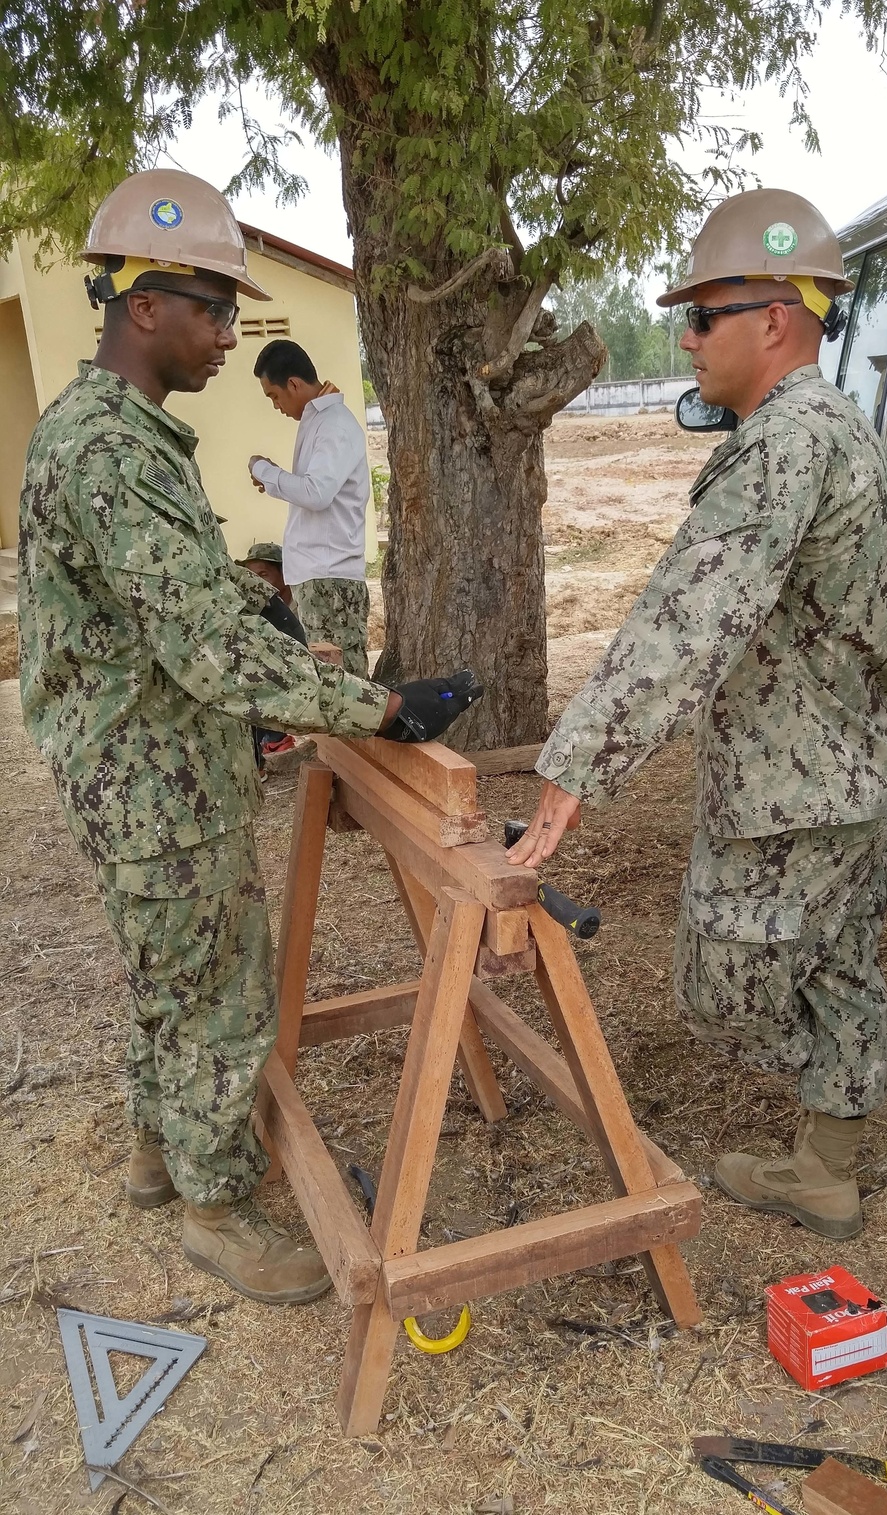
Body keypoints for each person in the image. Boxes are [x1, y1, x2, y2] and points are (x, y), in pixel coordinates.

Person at [18, 167, 481, 1305]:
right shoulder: (112, 453)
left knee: (164, 972)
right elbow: (204, 653)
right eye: (213, 309)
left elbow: (178, 604)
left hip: (144, 767)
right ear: (143, 308)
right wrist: (379, 706)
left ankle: (153, 1151)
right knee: (222, 991)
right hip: (157, 780)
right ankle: (218, 1205)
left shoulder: (112, 433)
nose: (231, 335)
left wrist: (257, 601)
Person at [508, 188, 887, 1241]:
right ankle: (827, 1167)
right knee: (839, 964)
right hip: (847, 770)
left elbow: (681, 624)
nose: (685, 337)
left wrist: (571, 779)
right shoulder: (834, 431)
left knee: (719, 983)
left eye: (703, 317)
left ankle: (827, 1140)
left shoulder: (788, 444)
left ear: (775, 320)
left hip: (792, 789)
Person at [248, 340, 370, 677]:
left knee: (345, 687)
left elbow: (317, 493)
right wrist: (274, 479)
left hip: (330, 577)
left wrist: (265, 470)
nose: (276, 405)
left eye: (274, 396)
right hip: (315, 577)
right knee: (322, 687)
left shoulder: (334, 424)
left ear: (293, 384)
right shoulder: (319, 420)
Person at [238, 543, 308, 766]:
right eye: (250, 575)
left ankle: (277, 738)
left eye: (263, 574)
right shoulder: (256, 611)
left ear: (285, 575)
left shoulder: (305, 610)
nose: (255, 581)